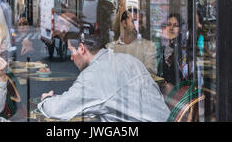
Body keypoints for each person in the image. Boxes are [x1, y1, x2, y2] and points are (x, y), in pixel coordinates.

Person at [38, 30, 170, 122]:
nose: (71, 58)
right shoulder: (129, 59)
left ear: (82, 48)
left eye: (72, 52)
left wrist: (46, 100)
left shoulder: (94, 75)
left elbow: (57, 109)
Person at [106, 10, 157, 75]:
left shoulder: (149, 46)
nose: (138, 26)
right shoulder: (110, 48)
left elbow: (150, 71)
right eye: (134, 21)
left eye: (140, 23)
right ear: (124, 23)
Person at [155, 14, 191, 95]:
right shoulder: (163, 46)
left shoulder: (183, 47)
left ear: (181, 30)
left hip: (180, 93)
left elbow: (183, 75)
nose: (171, 28)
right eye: (169, 24)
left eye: (175, 25)